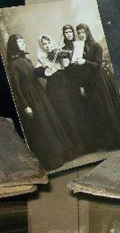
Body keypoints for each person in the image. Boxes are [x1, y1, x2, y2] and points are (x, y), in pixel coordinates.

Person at [5, 34, 74, 170]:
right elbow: (16, 88)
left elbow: (34, 75)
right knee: (43, 127)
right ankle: (53, 161)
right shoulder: (13, 65)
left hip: (40, 94)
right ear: (14, 45)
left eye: (23, 41)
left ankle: (63, 154)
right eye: (20, 42)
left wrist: (44, 70)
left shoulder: (26, 60)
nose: (23, 44)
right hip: (30, 98)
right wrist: (25, 105)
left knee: (51, 122)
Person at [73, 23, 120, 150]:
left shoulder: (96, 46)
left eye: (83, 32)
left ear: (87, 32)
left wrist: (85, 62)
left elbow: (98, 64)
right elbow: (79, 71)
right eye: (78, 33)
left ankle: (118, 140)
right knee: (98, 111)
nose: (81, 35)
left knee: (107, 107)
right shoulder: (79, 49)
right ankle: (108, 142)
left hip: (100, 81)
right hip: (89, 84)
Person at [34, 34, 87, 156]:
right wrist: (44, 68)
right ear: (41, 46)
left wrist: (67, 57)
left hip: (67, 84)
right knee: (65, 114)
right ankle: (76, 146)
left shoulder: (59, 52)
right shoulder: (42, 58)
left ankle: (85, 143)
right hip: (55, 88)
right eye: (44, 44)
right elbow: (36, 72)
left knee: (76, 110)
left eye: (48, 43)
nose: (47, 46)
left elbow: (70, 66)